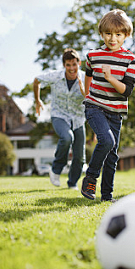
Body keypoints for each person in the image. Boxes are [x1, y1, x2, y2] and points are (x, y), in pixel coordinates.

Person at [81, 9, 135, 202]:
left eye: (118, 34)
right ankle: (90, 177)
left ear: (126, 35)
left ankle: (107, 196)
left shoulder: (130, 59)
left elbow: (127, 91)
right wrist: (87, 95)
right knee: (107, 141)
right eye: (108, 34)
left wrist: (110, 78)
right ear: (101, 34)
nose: (113, 39)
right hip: (95, 106)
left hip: (116, 112)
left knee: (112, 156)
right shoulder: (92, 55)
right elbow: (88, 74)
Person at [33, 48, 86, 189]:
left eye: (74, 64)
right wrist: (37, 100)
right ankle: (56, 170)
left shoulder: (86, 78)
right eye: (68, 65)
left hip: (78, 119)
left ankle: (72, 183)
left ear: (79, 63)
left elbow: (90, 97)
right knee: (67, 137)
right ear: (64, 65)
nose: (71, 68)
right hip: (59, 116)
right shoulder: (55, 76)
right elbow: (37, 80)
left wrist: (82, 87)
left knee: (80, 156)